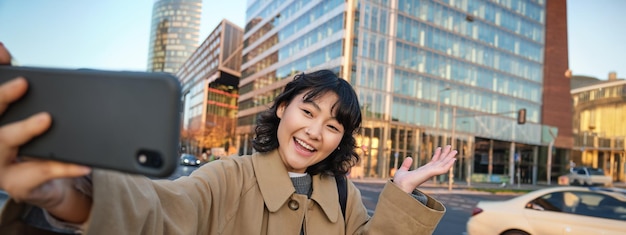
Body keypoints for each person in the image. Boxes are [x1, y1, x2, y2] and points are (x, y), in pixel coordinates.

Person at [0, 43, 457, 234]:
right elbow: (157, 214)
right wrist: (67, 193)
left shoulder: (344, 195)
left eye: (334, 126)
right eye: (308, 110)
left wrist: (398, 194)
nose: (316, 131)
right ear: (282, 108)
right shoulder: (224, 177)